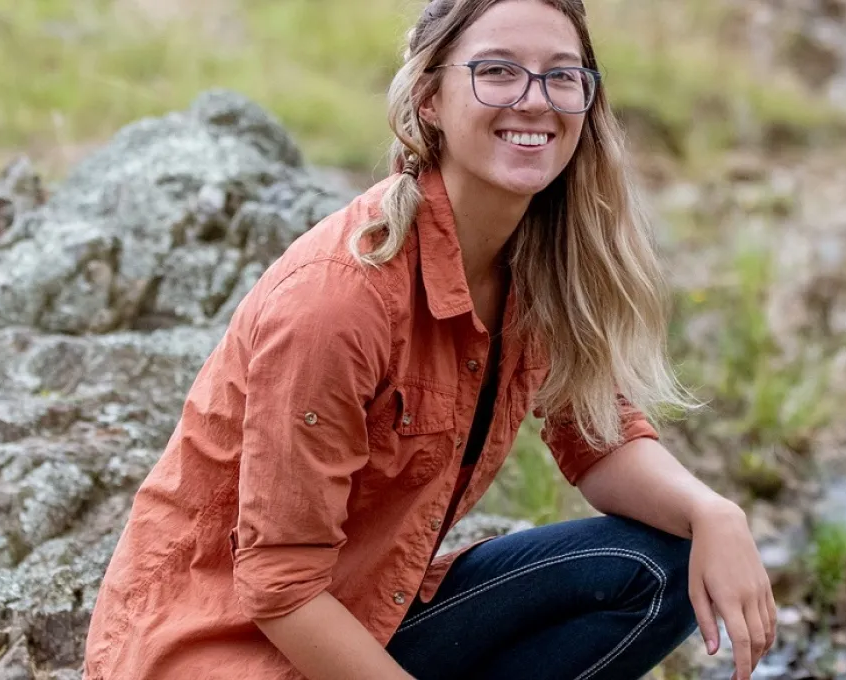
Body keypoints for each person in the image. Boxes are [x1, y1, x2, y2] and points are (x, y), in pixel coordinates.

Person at [83, 0, 777, 678]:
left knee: (662, 565)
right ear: (429, 99)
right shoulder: (339, 300)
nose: (534, 100)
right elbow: (281, 586)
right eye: (498, 70)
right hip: (223, 651)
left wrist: (712, 511)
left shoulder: (530, 264)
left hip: (365, 620)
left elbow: (592, 431)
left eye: (562, 75)